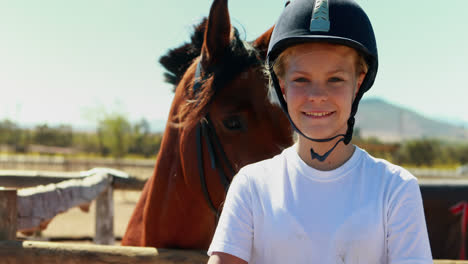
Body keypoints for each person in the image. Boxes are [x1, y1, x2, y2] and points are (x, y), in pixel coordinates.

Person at [207, 0, 432, 263]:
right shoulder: (251, 186)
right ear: (282, 86)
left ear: (358, 83)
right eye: (301, 80)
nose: (317, 96)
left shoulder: (395, 189)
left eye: (335, 79)